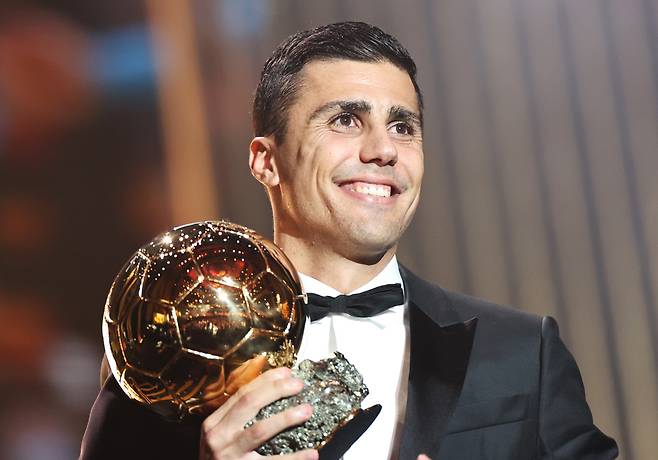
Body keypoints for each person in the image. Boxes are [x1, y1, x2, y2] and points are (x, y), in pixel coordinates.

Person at [80, 21, 618, 460]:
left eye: (403, 127)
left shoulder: (522, 351)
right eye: (345, 120)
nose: (384, 149)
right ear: (266, 160)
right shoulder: (164, 357)